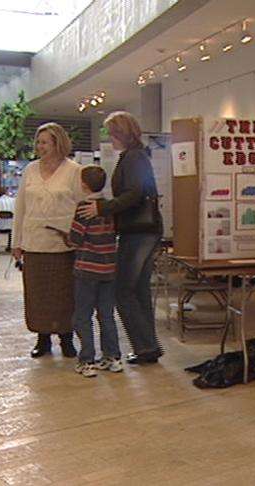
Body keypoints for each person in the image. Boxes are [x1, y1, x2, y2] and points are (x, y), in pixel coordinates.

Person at [79, 112, 163, 364]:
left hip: (139, 232)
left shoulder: (134, 157)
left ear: (120, 132)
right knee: (137, 291)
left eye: (110, 132)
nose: (108, 138)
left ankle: (146, 346)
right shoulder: (136, 155)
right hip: (143, 230)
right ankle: (148, 347)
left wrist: (103, 208)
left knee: (123, 290)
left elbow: (135, 193)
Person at [12, 122, 83, 359]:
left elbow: (83, 205)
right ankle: (42, 339)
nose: (39, 146)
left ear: (57, 143)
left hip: (63, 245)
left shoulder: (73, 170)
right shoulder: (30, 170)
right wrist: (17, 242)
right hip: (34, 243)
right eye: (38, 142)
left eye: (44, 142)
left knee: (64, 294)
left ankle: (66, 338)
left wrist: (81, 237)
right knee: (37, 294)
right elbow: (20, 206)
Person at [65, 165, 123, 377]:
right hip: (109, 269)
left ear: (83, 185)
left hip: (87, 269)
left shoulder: (83, 208)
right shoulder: (109, 207)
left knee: (82, 315)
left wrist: (67, 237)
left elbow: (75, 238)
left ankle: (87, 360)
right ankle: (113, 357)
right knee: (106, 314)